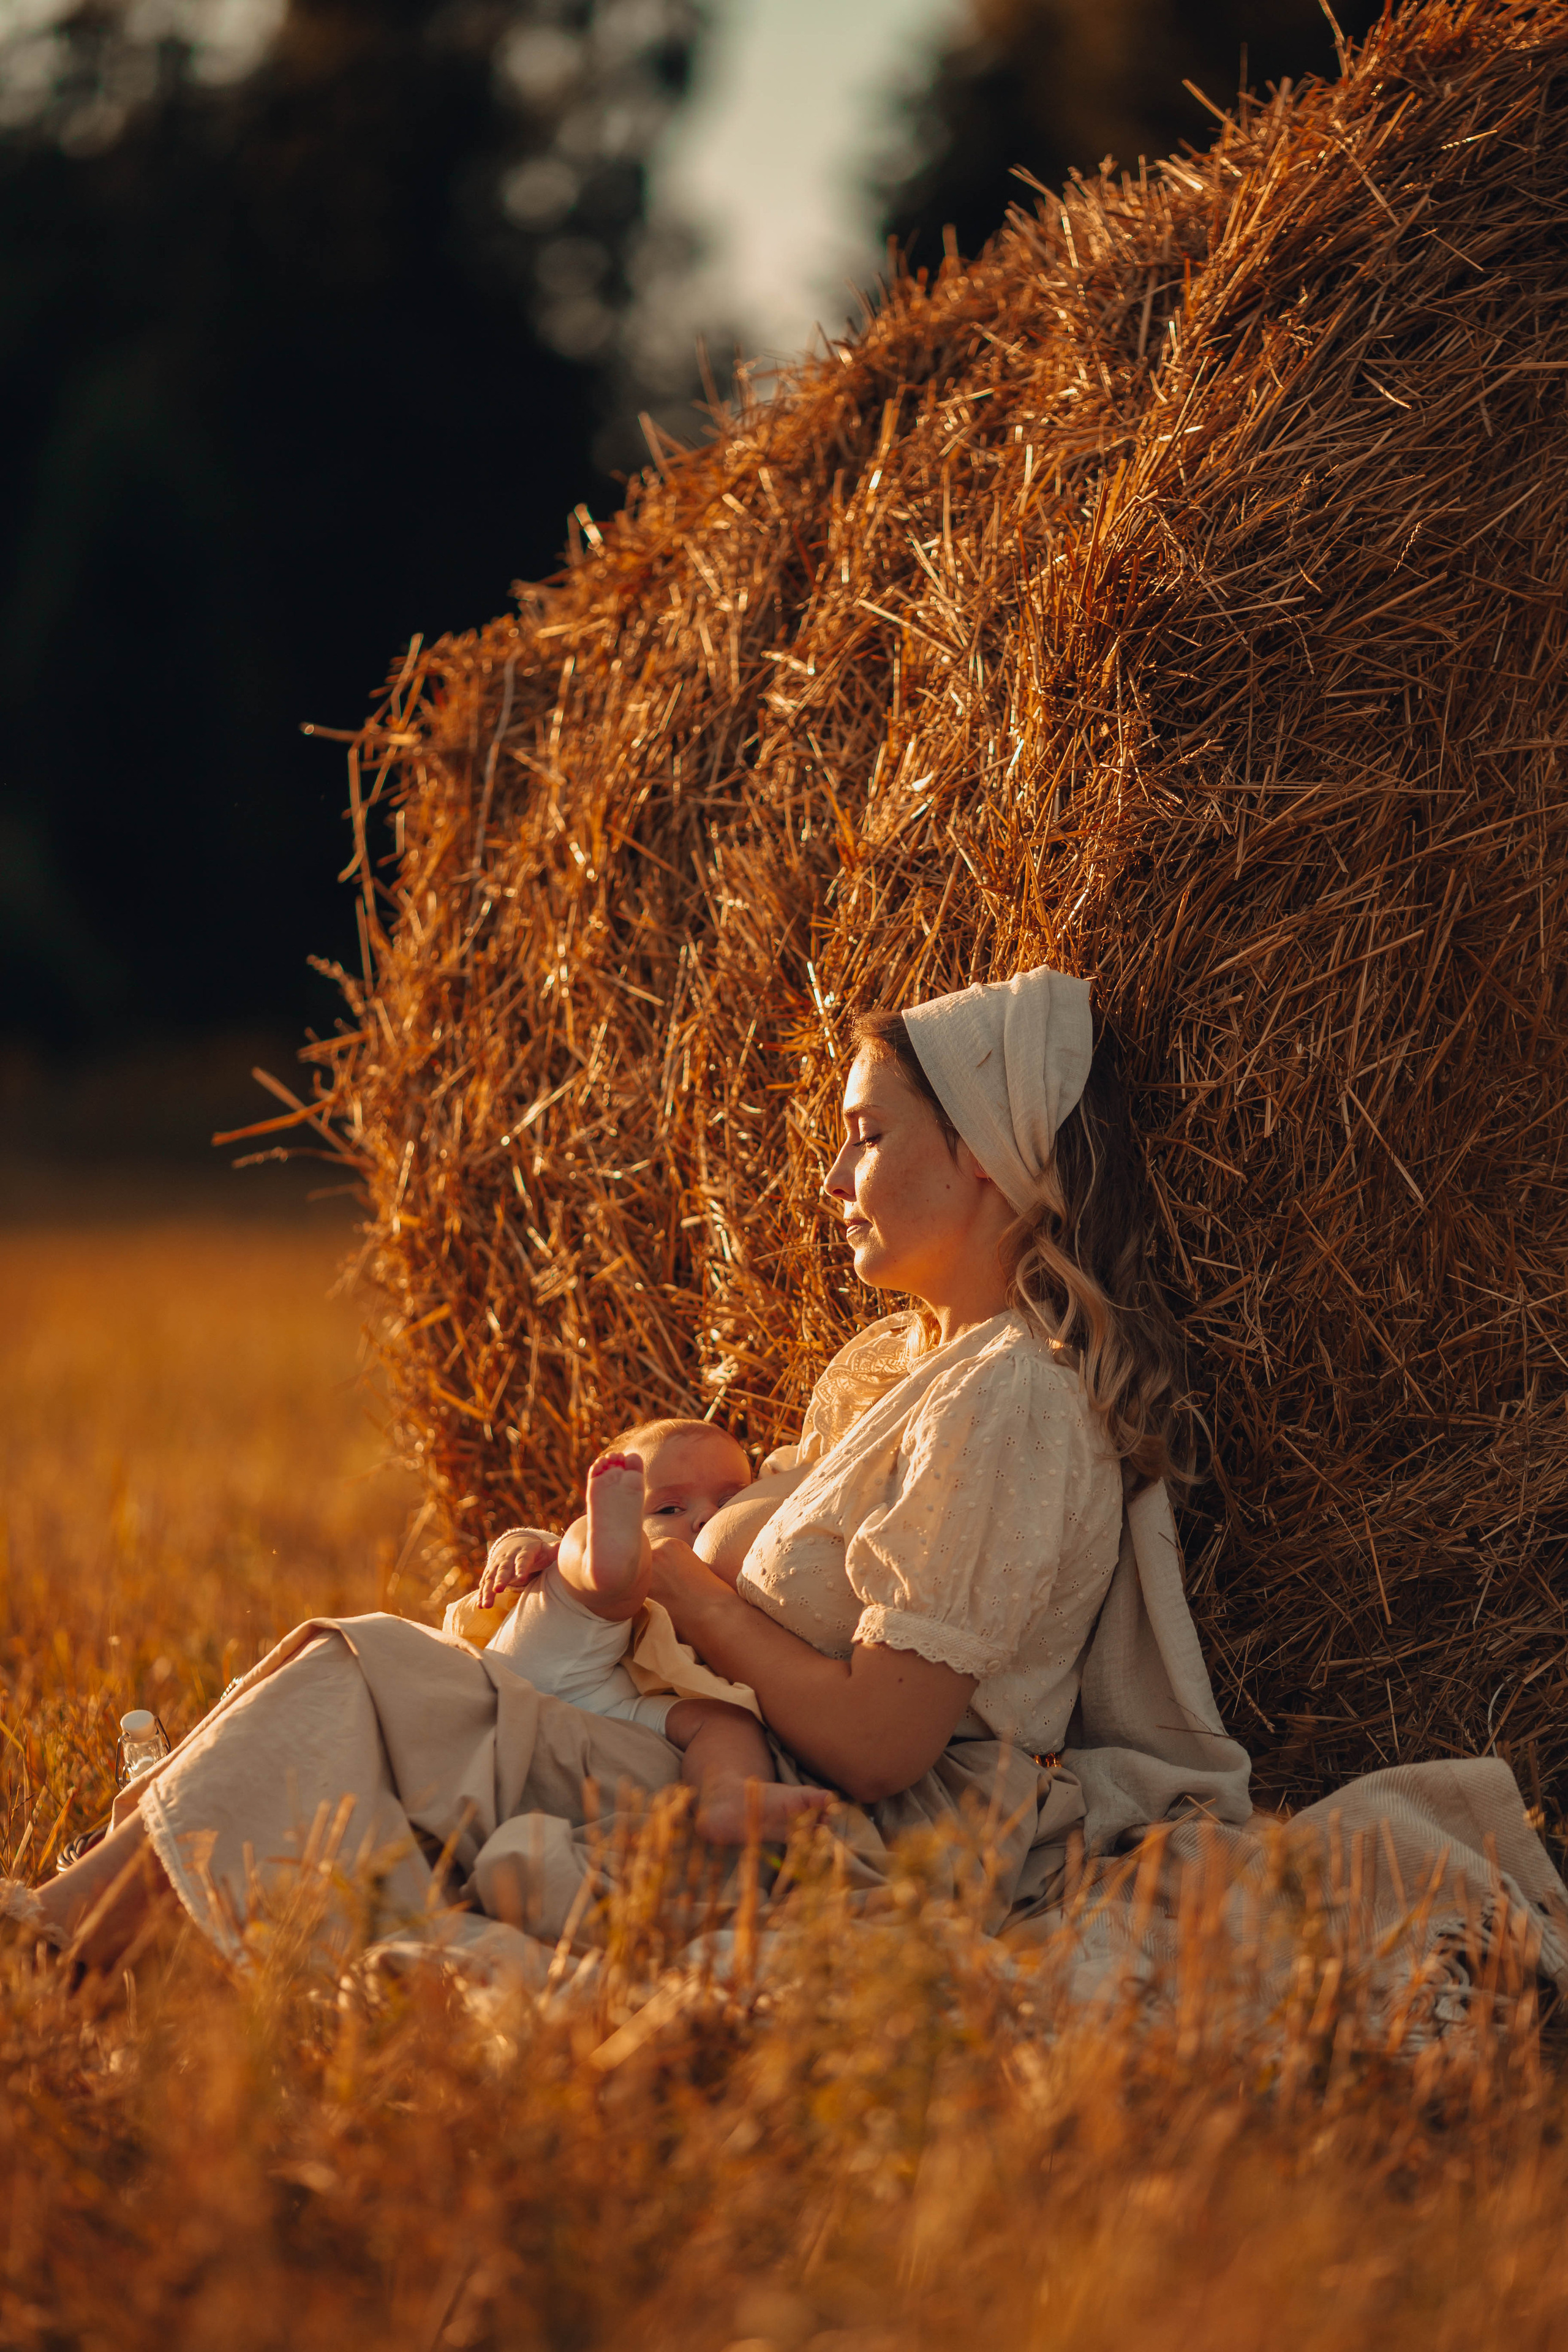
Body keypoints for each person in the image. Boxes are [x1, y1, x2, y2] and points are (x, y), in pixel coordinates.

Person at [10, 964, 1566, 2009]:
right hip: (736, 1774)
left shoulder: (1017, 1403)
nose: (829, 1179)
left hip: (834, 1836)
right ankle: (75, 1935)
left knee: (359, 1671)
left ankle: (62, 1946)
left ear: (984, 1164)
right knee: (334, 1660)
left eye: (862, 1137)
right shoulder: (907, 1370)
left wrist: (684, 1587)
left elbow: (888, 1739)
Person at [466, 1421, 827, 1843]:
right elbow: (539, 1544)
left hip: (622, 1707)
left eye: (730, 1503)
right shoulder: (595, 1555)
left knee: (729, 1723)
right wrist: (519, 1546)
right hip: (555, 1667)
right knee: (589, 1574)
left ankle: (727, 1797)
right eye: (669, 1509)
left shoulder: (743, 1591)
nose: (707, 1518)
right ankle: (611, 1557)